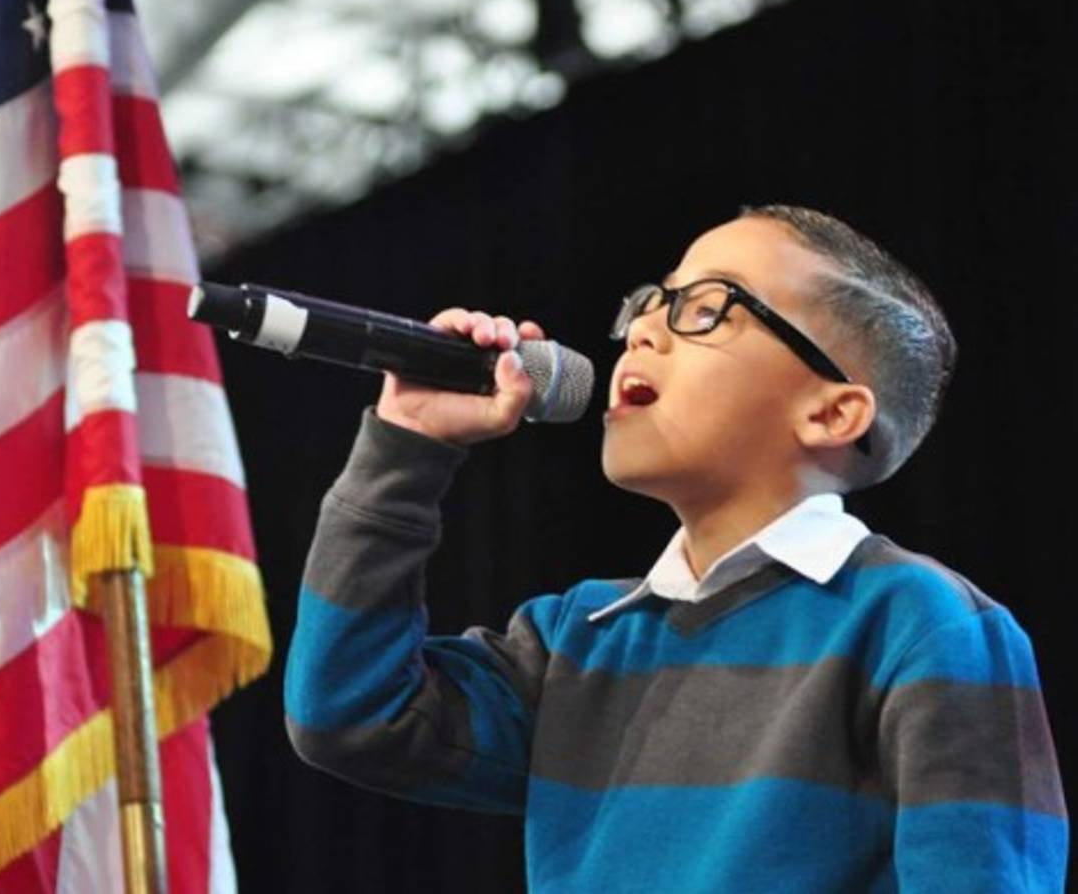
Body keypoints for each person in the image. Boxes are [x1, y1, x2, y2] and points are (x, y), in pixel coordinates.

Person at [283, 205, 1068, 891]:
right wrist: (406, 447)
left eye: (706, 307)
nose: (645, 329)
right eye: (650, 302)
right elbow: (352, 714)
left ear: (830, 414)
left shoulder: (916, 622)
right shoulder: (579, 640)